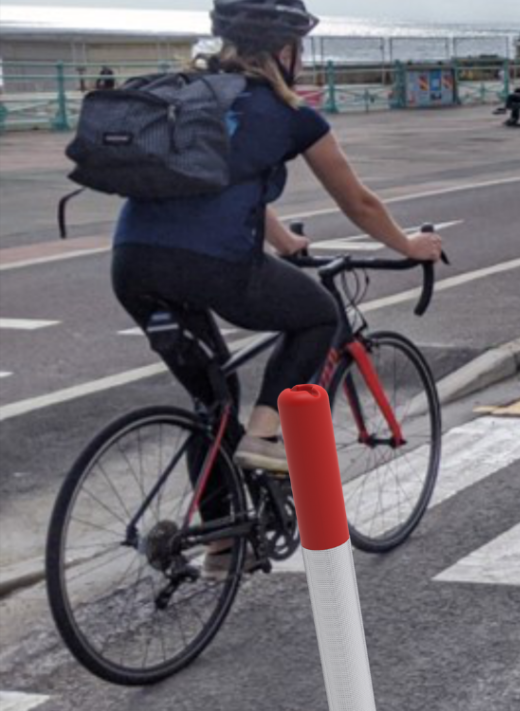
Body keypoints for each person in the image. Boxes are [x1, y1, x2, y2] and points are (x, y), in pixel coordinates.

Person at [112, 0, 443, 487]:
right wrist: (407, 244)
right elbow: (358, 201)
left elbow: (221, 180)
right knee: (317, 316)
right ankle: (265, 438)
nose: (303, 60)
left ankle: (219, 552)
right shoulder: (289, 113)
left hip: (133, 263)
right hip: (211, 264)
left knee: (214, 404)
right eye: (300, 49)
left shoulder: (189, 95)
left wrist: (285, 240)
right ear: (284, 51)